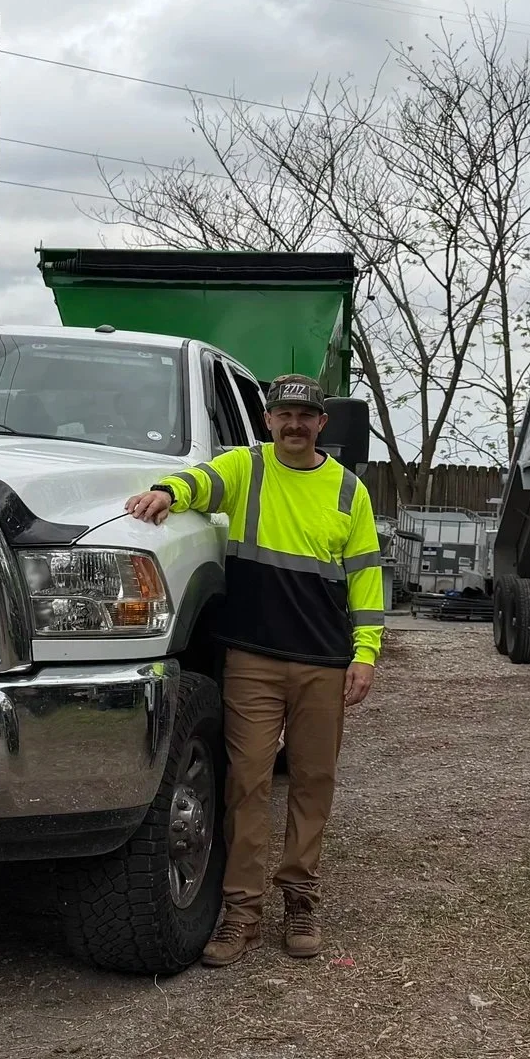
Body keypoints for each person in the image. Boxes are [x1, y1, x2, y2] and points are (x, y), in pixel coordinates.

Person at [123, 374, 385, 967]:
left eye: (306, 416)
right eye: (283, 414)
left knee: (313, 783)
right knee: (247, 783)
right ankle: (242, 911)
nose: (295, 424)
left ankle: (300, 899)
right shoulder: (246, 467)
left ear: (323, 423)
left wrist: (365, 654)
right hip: (253, 663)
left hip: (322, 662)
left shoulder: (349, 492)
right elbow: (201, 481)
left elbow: (367, 579)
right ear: (267, 421)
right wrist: (167, 491)